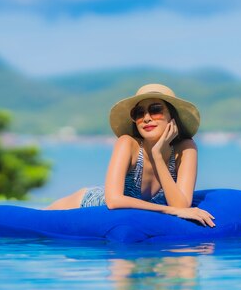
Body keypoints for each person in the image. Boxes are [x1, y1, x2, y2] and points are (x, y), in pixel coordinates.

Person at [46, 83, 215, 227]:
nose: (146, 118)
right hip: (85, 204)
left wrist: (157, 155)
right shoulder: (127, 143)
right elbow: (113, 201)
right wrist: (169, 210)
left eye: (155, 110)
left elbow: (181, 205)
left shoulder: (185, 148)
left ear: (172, 117)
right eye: (139, 113)